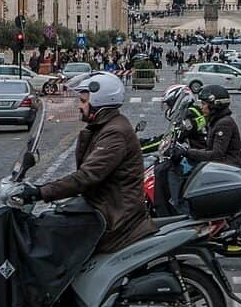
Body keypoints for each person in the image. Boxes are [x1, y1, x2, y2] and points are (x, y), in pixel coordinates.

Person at [17, 72, 156, 253]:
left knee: (49, 231)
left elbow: (86, 177)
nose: (79, 106)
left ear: (98, 102)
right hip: (105, 205)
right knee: (52, 219)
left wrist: (40, 192)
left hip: (115, 216)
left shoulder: (114, 133)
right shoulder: (106, 126)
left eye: (83, 101)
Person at [179, 84, 241, 168]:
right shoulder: (215, 121)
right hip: (221, 165)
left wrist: (187, 152)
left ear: (215, 105)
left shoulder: (224, 123)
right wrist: (188, 151)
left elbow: (216, 154)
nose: (201, 107)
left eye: (204, 104)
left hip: (229, 166)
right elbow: (209, 150)